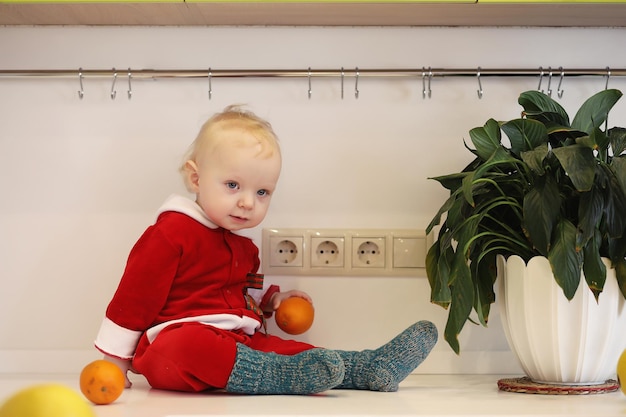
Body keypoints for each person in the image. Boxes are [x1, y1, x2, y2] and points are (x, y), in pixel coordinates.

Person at [94, 105, 438, 395]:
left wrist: (273, 301)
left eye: (262, 192)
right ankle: (280, 375)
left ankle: (366, 368)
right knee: (184, 347)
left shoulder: (243, 246)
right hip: (178, 344)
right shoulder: (171, 233)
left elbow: (244, 296)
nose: (247, 202)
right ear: (196, 179)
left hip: (238, 340)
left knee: (286, 350)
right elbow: (134, 297)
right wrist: (114, 361)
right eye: (232, 185)